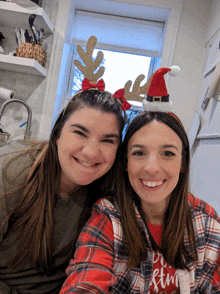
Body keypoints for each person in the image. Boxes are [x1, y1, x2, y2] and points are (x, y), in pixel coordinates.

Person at [59, 69, 220, 293]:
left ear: (183, 163)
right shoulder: (108, 220)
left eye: (168, 153)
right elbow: (86, 279)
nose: (152, 168)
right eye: (139, 153)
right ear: (125, 162)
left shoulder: (207, 222)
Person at [0, 37, 127, 293]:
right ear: (57, 134)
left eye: (107, 140)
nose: (91, 151)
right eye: (80, 133)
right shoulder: (10, 171)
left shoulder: (110, 195)